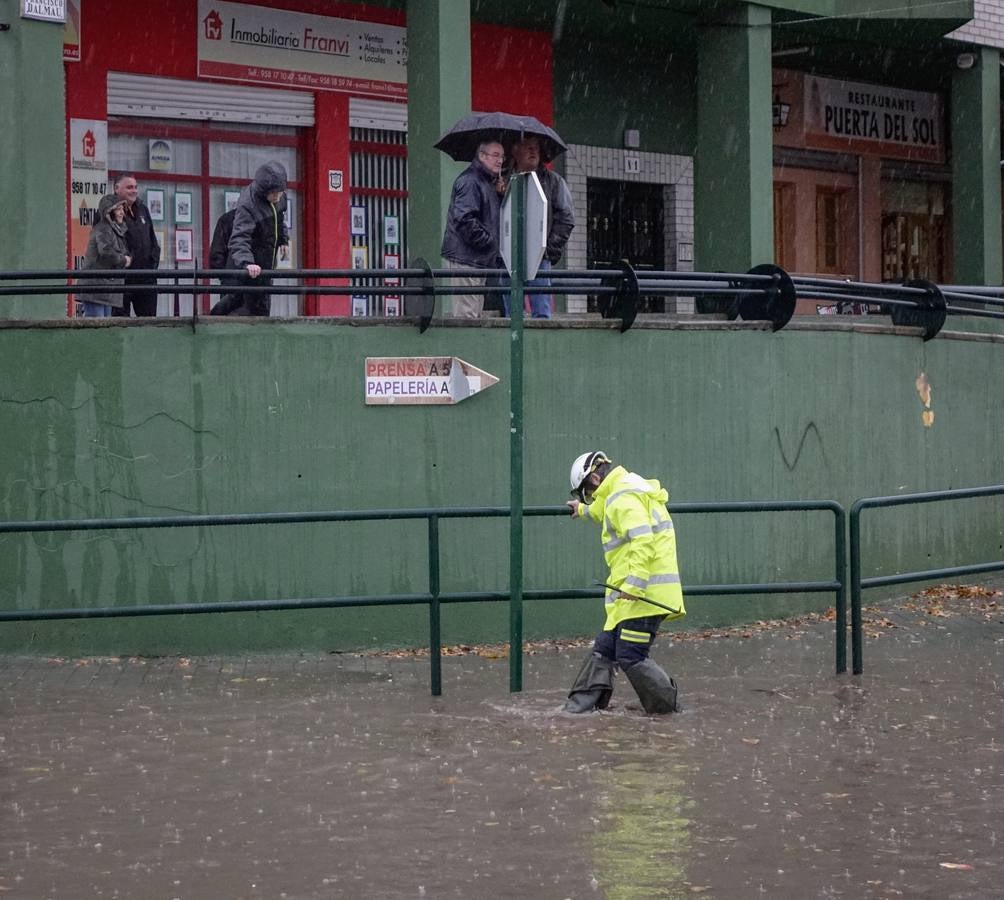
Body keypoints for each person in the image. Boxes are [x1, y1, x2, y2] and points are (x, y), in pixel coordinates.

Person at [563, 451, 685, 714]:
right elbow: (606, 509)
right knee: (605, 649)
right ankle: (580, 711)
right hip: (634, 595)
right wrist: (584, 510)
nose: (589, 498)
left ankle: (668, 712)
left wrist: (635, 585)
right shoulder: (622, 489)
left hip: (643, 594)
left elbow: (643, 539)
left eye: (586, 493)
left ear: (595, 478)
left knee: (631, 654)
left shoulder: (623, 496)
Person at [503, 135, 575, 319]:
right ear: (514, 151)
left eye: (536, 147)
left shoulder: (554, 182)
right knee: (512, 314)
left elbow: (566, 218)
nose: (533, 151)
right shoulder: (502, 180)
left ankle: (541, 344)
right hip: (508, 254)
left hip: (540, 254)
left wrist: (548, 249)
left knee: (542, 312)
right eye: (527, 147)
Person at [441, 140, 506, 318]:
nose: (500, 160)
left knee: (473, 314)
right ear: (482, 156)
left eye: (502, 156)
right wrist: (489, 242)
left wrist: (499, 196)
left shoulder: (485, 183)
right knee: (467, 316)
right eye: (495, 155)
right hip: (467, 257)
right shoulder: (470, 181)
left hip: (476, 258)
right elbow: (464, 220)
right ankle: (464, 346)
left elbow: (483, 218)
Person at [216, 161, 289, 316]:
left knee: (262, 309)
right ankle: (209, 322)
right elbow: (239, 238)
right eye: (274, 193)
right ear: (264, 191)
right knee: (236, 309)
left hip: (265, 269)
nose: (278, 197)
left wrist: (283, 239)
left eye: (280, 192)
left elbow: (280, 218)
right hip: (246, 271)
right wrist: (247, 263)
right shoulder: (248, 204)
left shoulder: (280, 197)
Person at [110, 174, 160, 317]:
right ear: (116, 189)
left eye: (136, 187)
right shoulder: (108, 212)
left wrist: (152, 266)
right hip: (121, 281)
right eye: (129, 187)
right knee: (120, 326)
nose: (134, 191)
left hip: (145, 280)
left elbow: (152, 241)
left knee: (148, 325)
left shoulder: (143, 209)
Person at [80, 193, 131, 317]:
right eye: (118, 209)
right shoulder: (103, 229)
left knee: (103, 329)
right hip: (96, 289)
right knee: (96, 330)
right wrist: (124, 260)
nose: (121, 212)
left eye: (122, 209)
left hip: (105, 289)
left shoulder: (114, 230)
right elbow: (106, 251)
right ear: (109, 211)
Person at [207, 207, 238, 315]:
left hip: (230, 278)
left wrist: (224, 274)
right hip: (255, 280)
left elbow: (216, 254)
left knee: (226, 317)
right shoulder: (261, 220)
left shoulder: (227, 219)